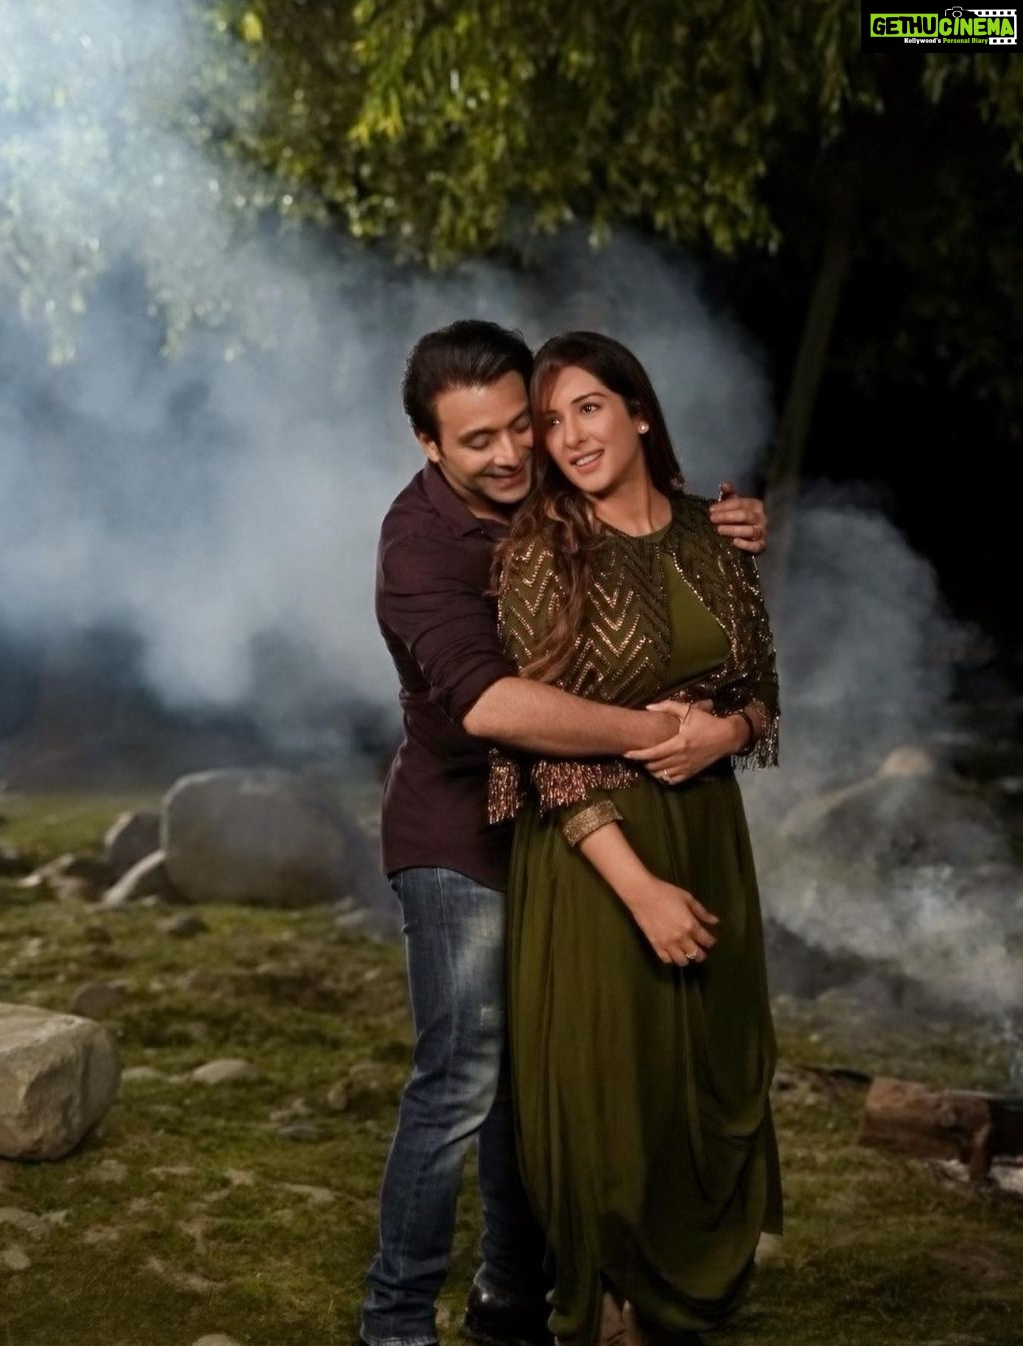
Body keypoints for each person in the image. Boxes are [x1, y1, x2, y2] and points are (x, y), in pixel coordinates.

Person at [363, 320, 770, 1346]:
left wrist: (722, 530)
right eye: (479, 440)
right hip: (461, 834)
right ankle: (395, 1321)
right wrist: (662, 733)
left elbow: (663, 551)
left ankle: (513, 1296)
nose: (513, 453)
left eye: (525, 425)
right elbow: (495, 706)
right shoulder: (420, 547)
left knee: (538, 1079)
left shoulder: (565, 501)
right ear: (427, 444)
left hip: (573, 829)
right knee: (466, 1076)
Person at [489, 331, 783, 1346]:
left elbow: (761, 690)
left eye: (589, 408)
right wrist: (641, 889)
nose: (571, 436)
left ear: (639, 412)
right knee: (611, 1090)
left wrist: (724, 733)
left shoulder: (718, 532)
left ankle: (690, 1293)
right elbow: (539, 743)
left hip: (707, 826)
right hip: (596, 850)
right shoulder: (540, 553)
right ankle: (610, 1299)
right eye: (551, 421)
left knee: (703, 1072)